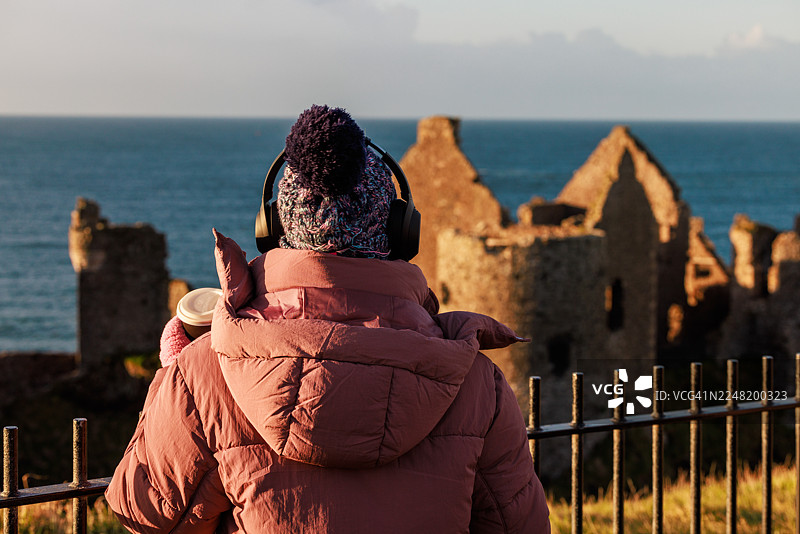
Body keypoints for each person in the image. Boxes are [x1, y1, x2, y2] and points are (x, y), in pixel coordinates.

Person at [106, 105, 551, 533]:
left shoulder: (205, 373)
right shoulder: (476, 383)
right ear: (400, 231)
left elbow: (144, 513)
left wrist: (174, 378)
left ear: (275, 225)